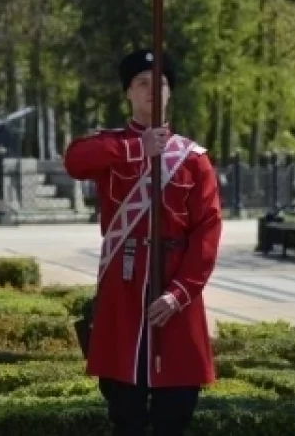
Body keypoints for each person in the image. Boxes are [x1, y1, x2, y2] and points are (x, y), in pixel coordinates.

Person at [63, 49, 222, 436]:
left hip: (174, 292)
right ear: (128, 94)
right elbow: (75, 160)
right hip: (125, 286)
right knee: (125, 409)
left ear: (170, 94)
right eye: (142, 83)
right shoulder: (112, 146)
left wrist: (179, 294)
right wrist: (138, 148)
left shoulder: (193, 158)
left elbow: (207, 230)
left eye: (160, 84)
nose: (152, 91)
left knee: (178, 408)